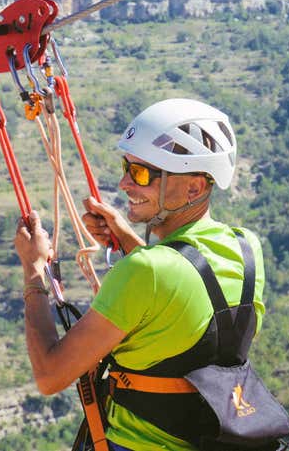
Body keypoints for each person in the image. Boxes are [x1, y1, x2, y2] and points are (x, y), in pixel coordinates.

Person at [14, 98, 266, 451]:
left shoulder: (145, 270)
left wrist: (34, 270)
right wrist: (128, 240)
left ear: (193, 187)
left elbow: (49, 374)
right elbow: (185, 295)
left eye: (142, 173)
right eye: (127, 167)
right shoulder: (246, 248)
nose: (124, 183)